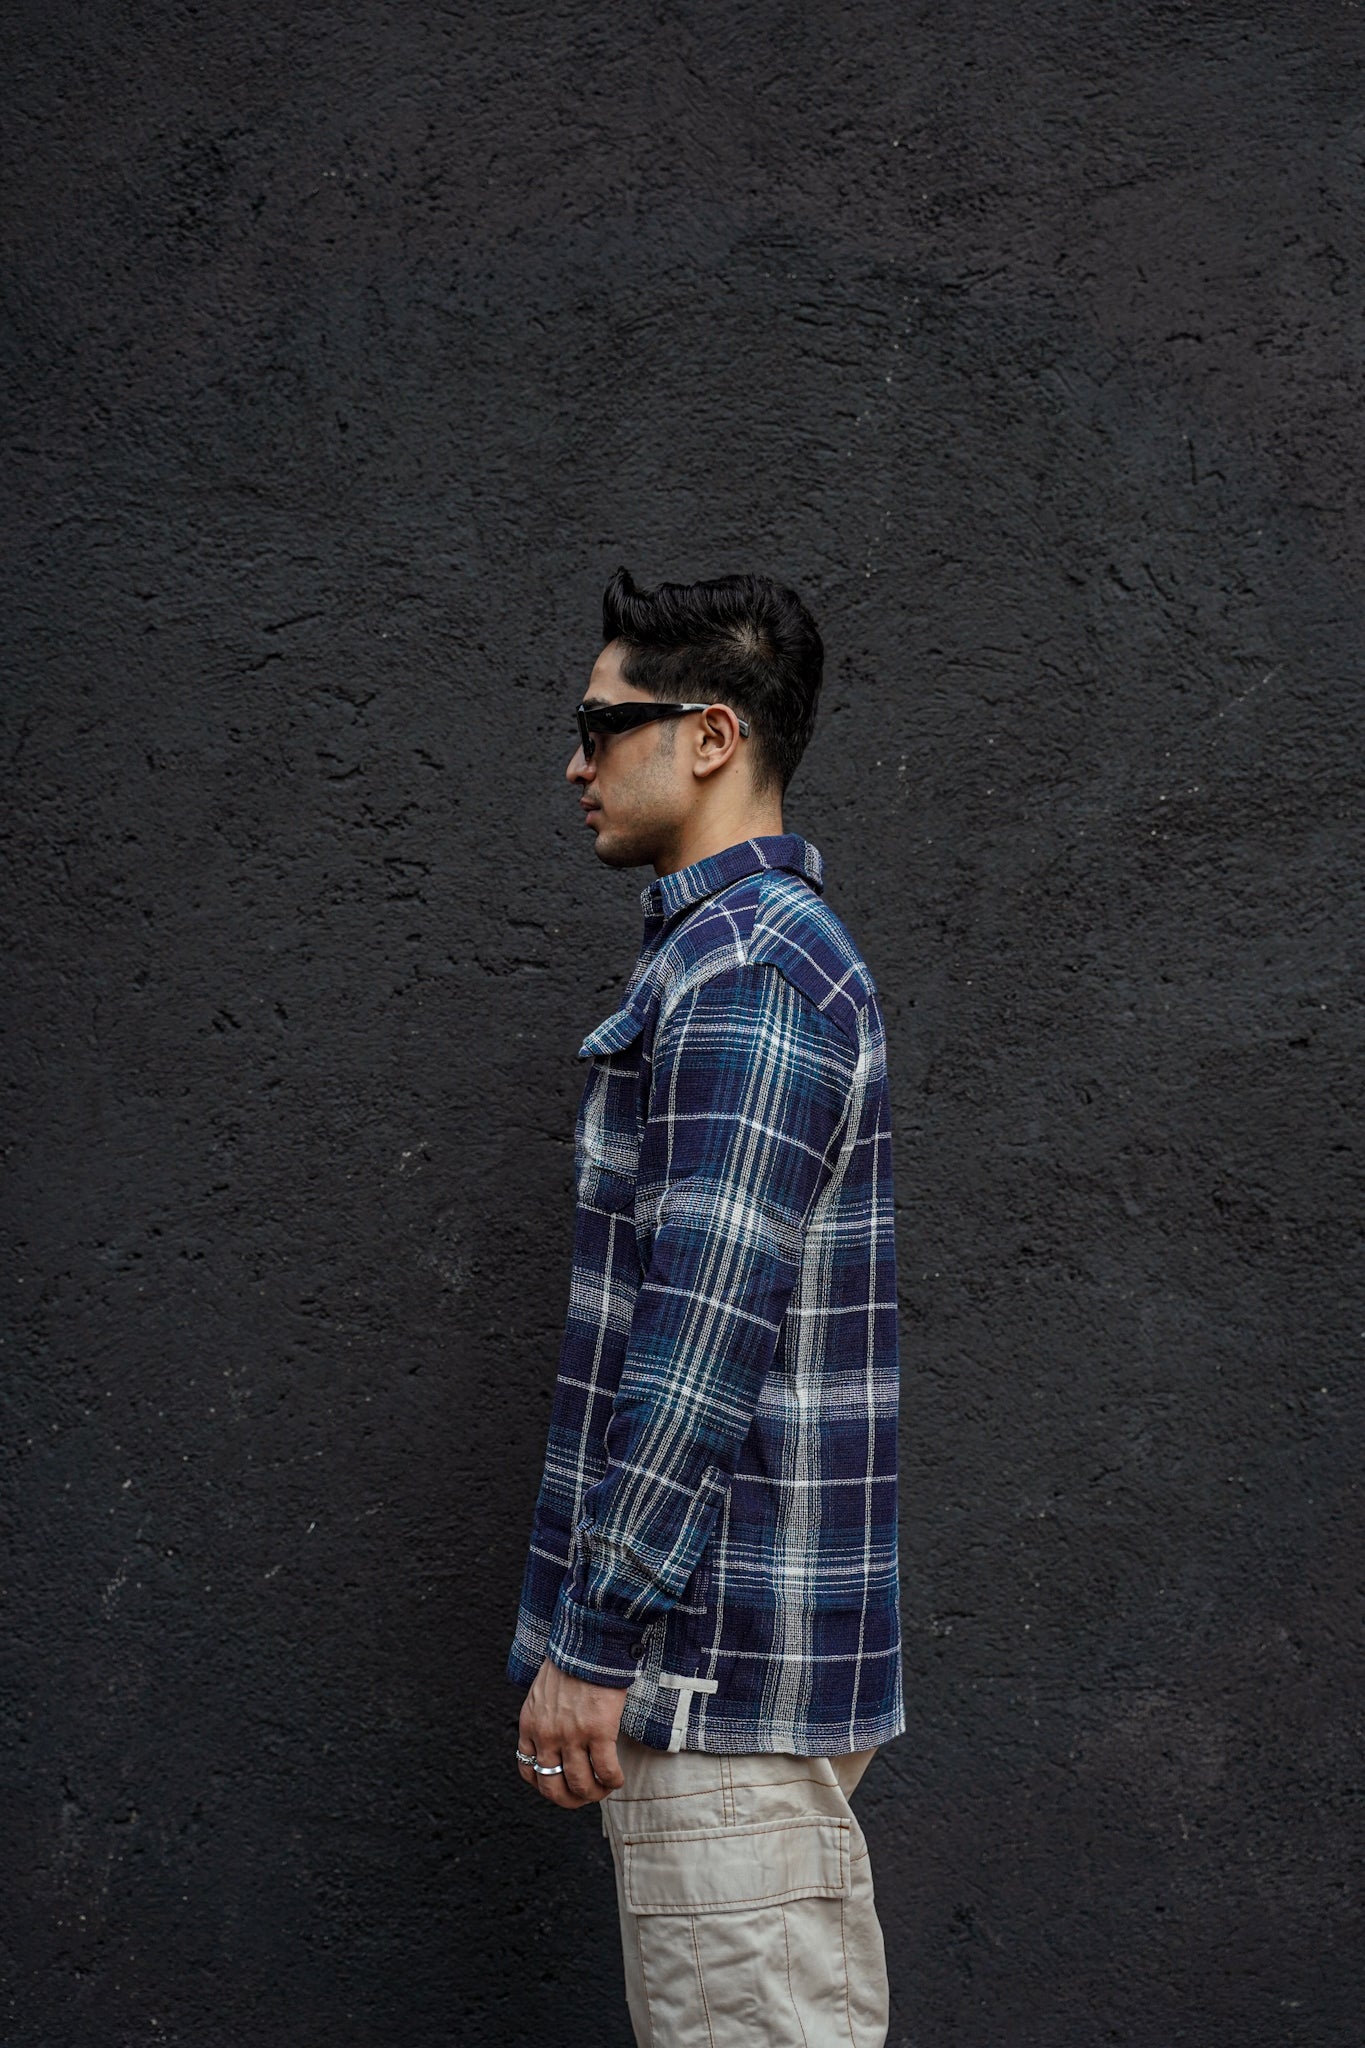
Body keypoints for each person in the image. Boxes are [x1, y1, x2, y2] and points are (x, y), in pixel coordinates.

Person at [506, 564, 904, 2045]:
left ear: (712, 737)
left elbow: (698, 1349)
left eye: (600, 726)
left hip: (710, 1683)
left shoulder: (745, 975)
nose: (576, 764)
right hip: (731, 1676)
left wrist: (595, 1635)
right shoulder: (742, 958)